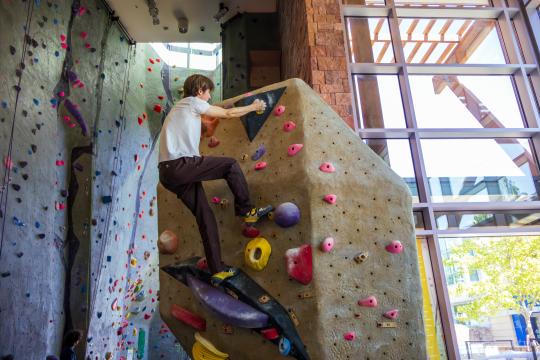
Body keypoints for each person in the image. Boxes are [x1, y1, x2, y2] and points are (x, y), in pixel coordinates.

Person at [158, 74, 273, 284]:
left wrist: (229, 104)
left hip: (167, 173)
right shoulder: (193, 102)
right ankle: (247, 210)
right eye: (208, 92)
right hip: (181, 165)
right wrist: (253, 106)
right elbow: (228, 113)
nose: (209, 97)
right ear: (200, 90)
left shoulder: (181, 108)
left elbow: (218, 110)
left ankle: (217, 269)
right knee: (230, 165)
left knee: (205, 216)